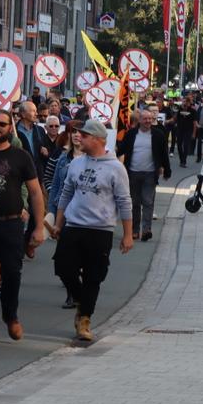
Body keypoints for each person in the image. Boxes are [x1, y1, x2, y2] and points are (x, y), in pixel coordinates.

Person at [52, 119, 133, 341]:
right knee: (63, 267)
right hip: (73, 225)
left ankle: (85, 318)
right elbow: (66, 194)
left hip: (100, 230)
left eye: (84, 136)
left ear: (97, 139)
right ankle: (81, 299)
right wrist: (59, 223)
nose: (79, 138)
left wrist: (127, 234)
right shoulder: (76, 163)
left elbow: (125, 202)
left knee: (93, 276)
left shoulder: (116, 168)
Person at [0, 107, 47, 344]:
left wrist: (38, 227)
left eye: (2, 124)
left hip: (11, 223)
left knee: (12, 273)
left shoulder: (21, 156)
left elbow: (35, 192)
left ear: (9, 127)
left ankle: (11, 316)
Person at [48, 120, 90, 310]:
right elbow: (55, 184)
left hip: (84, 213)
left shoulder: (93, 159)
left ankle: (81, 291)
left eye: (80, 132)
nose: (75, 135)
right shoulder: (63, 159)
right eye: (73, 132)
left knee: (82, 256)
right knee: (65, 258)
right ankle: (71, 294)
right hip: (63, 212)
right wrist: (51, 211)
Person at [116, 108, 171, 242]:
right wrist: (111, 153)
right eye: (145, 119)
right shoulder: (131, 134)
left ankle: (146, 230)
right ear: (139, 120)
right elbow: (122, 148)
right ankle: (134, 230)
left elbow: (164, 154)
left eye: (150, 119)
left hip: (150, 174)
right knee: (134, 203)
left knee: (148, 201)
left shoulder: (158, 135)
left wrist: (167, 170)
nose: (147, 121)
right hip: (133, 173)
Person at [173, 96, 196, 168]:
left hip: (188, 130)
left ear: (189, 103)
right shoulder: (179, 110)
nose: (184, 103)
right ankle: (181, 160)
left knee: (186, 146)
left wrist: (194, 133)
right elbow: (174, 119)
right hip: (180, 130)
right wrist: (177, 111)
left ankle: (184, 161)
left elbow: (194, 123)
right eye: (183, 101)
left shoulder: (192, 111)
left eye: (185, 101)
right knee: (179, 145)